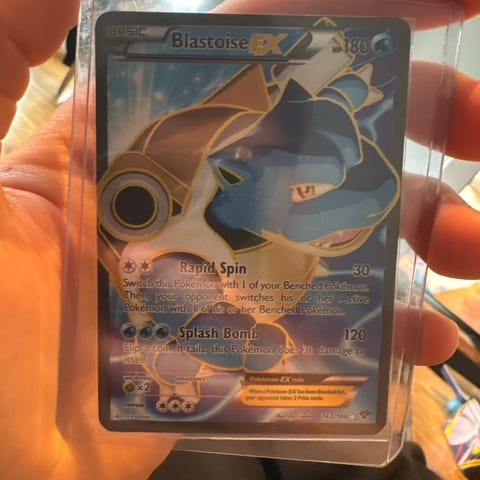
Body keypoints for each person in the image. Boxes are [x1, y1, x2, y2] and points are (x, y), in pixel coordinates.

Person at [0, 0, 479, 478]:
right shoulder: (177, 238)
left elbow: (292, 107)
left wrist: (333, 79)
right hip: (166, 361)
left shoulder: (256, 162)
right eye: (308, 191)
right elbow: (182, 303)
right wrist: (245, 344)